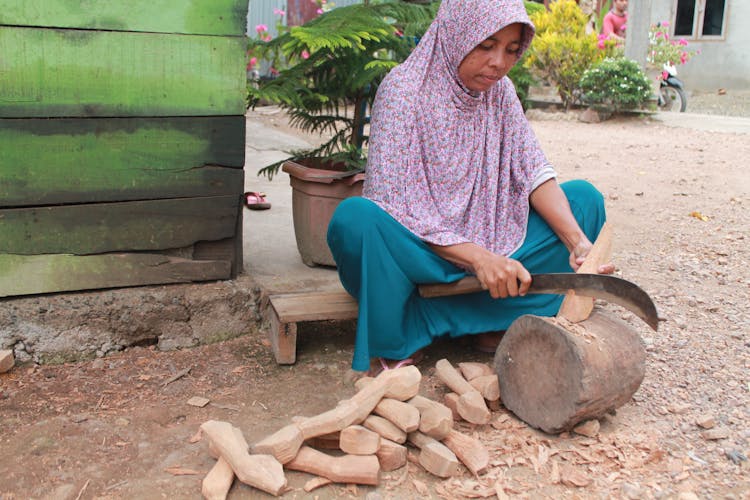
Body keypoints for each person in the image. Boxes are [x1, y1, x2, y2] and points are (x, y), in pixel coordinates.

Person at [326, 0, 613, 374]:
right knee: (357, 220)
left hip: (496, 239)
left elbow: (533, 172)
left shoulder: (501, 92)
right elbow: (395, 205)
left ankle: (435, 318)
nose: (499, 63)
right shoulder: (404, 91)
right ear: (457, 34)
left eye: (511, 50)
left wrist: (578, 244)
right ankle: (429, 329)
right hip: (424, 252)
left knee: (583, 201)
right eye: (486, 45)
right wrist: (481, 259)